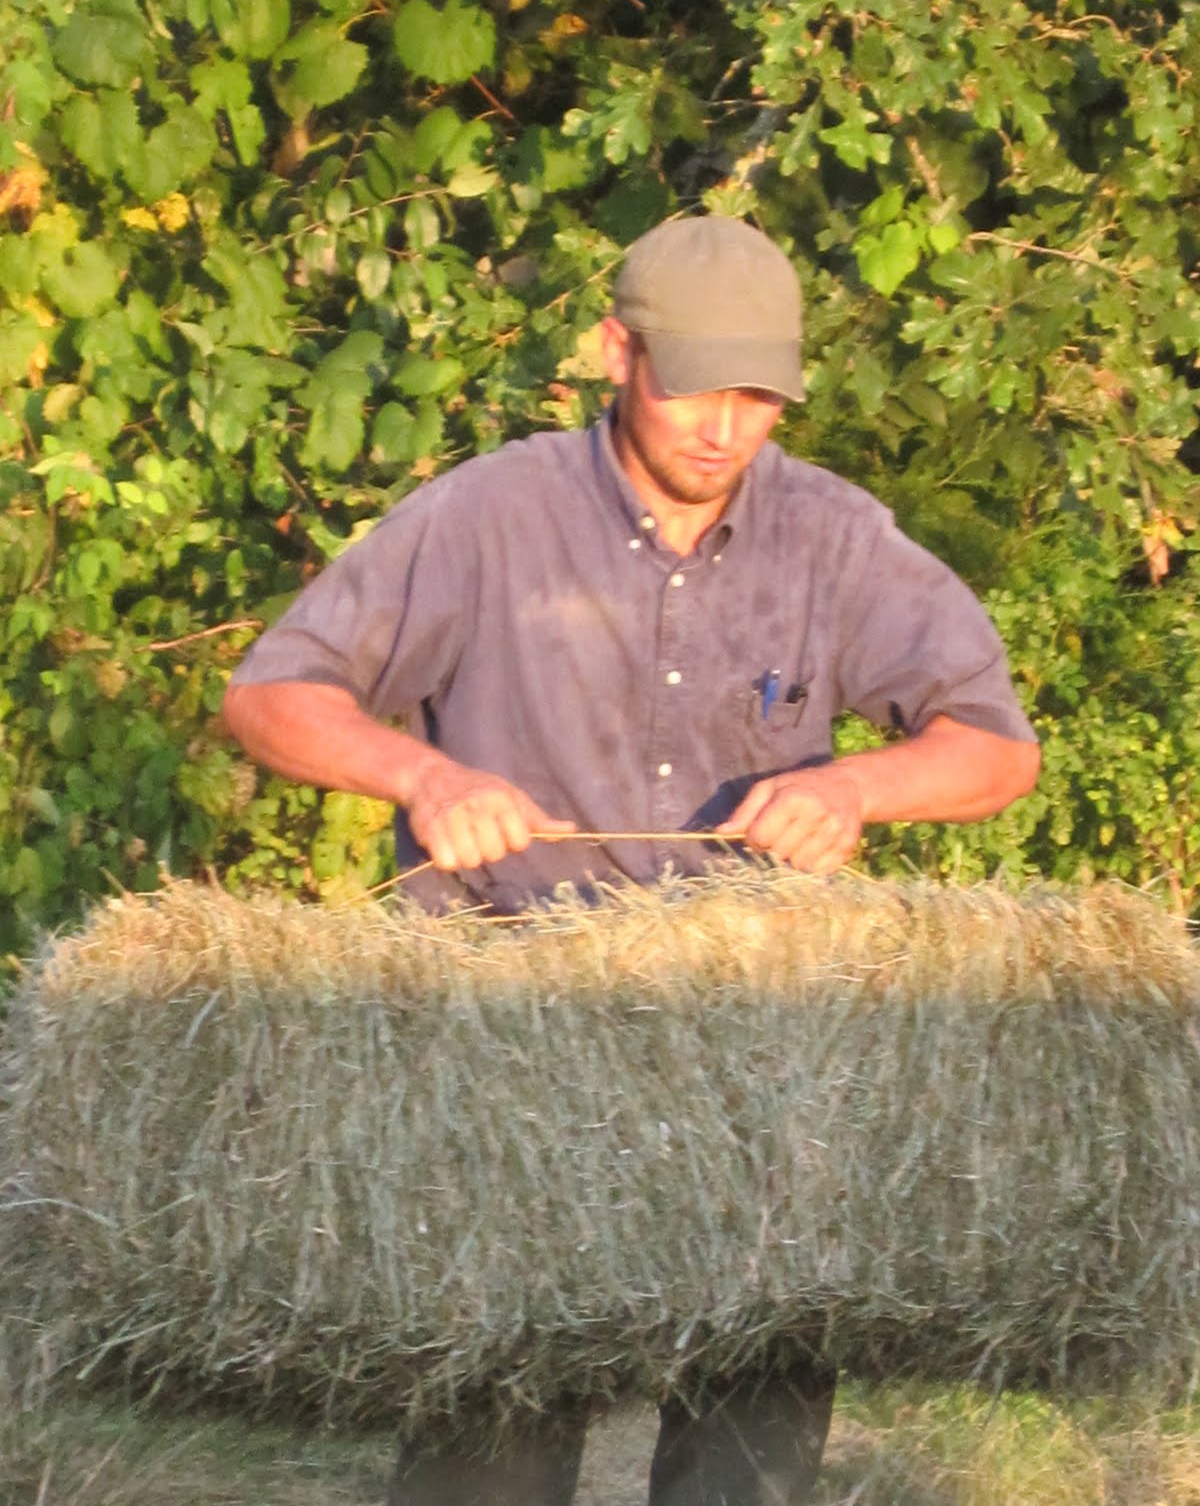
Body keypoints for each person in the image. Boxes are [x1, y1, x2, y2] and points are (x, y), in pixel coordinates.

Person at [223, 214, 1040, 1506]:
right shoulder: (489, 515)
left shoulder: (834, 536)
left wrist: (853, 787)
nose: (726, 426)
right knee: (488, 1461)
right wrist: (422, 775)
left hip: (754, 1058)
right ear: (616, 350)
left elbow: (998, 749)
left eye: (760, 396)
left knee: (749, 1459)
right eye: (697, 385)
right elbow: (270, 696)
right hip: (512, 1040)